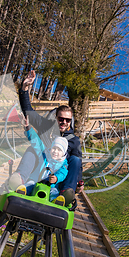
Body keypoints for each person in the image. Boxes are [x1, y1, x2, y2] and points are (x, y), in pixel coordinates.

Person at [16, 70, 84, 206]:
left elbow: (77, 165)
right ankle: (19, 180)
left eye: (67, 120)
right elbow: (28, 110)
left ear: (71, 121)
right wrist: (24, 88)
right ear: (56, 118)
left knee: (75, 159)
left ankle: (67, 192)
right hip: (39, 169)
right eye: (61, 119)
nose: (64, 122)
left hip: (58, 178)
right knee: (32, 148)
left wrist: (80, 181)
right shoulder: (46, 126)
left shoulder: (74, 140)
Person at [8, 114, 69, 205]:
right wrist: (27, 127)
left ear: (63, 153)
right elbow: (36, 141)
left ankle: (55, 201)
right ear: (50, 148)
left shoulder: (62, 163)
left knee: (54, 192)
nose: (56, 151)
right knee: (29, 184)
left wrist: (56, 178)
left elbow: (63, 173)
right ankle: (22, 191)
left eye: (59, 150)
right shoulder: (45, 154)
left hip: (51, 186)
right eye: (54, 148)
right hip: (36, 180)